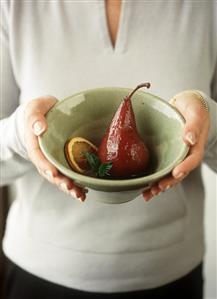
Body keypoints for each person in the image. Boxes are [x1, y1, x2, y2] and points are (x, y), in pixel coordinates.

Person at [0, 1, 216, 298]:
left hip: (170, 275)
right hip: (40, 272)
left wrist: (208, 123)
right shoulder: (16, 6)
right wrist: (21, 134)